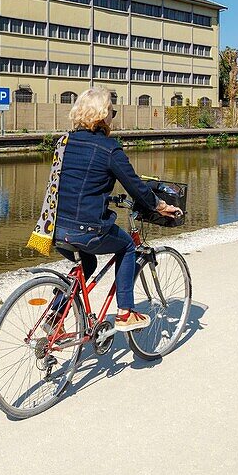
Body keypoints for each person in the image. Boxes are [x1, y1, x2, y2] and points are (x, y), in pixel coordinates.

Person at [53, 87, 182, 331]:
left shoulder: (64, 142)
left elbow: (76, 183)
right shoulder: (109, 148)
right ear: (103, 116)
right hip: (87, 230)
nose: (114, 115)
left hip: (55, 228)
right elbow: (135, 186)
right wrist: (160, 205)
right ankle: (125, 313)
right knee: (127, 246)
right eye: (111, 111)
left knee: (87, 265)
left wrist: (104, 197)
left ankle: (54, 316)